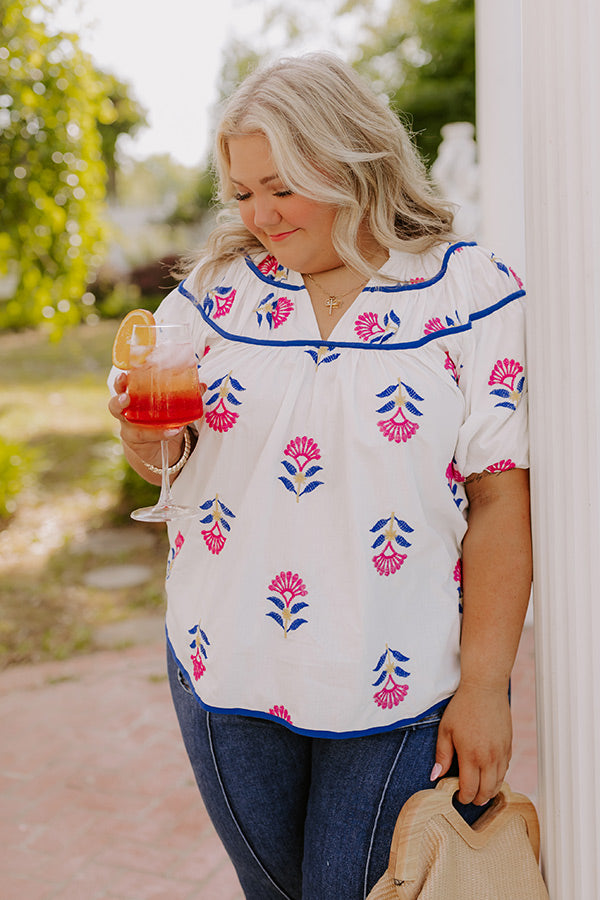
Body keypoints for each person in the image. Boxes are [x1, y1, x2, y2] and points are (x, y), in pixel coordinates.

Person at [108, 52, 532, 900]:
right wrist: (139, 434)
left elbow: (498, 499)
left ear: (351, 158)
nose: (259, 214)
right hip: (227, 668)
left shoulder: (470, 294)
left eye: (282, 187)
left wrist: (485, 686)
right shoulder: (210, 298)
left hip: (401, 677)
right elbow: (167, 456)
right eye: (242, 192)